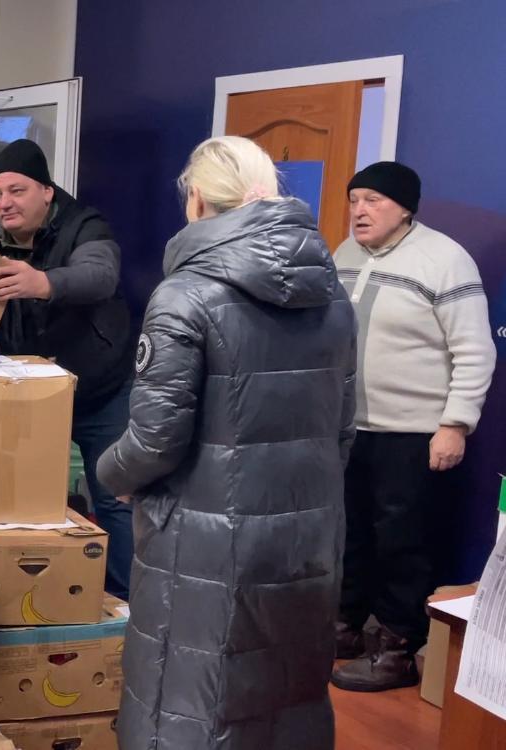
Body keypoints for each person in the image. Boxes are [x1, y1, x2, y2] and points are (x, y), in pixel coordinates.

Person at [97, 136, 357, 749]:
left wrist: (108, 475)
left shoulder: (184, 295)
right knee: (284, 693)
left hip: (202, 540)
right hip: (307, 536)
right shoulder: (333, 295)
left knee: (187, 694)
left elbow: (155, 440)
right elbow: (342, 427)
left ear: (196, 201)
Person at [331, 162, 496, 692]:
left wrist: (455, 424)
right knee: (349, 533)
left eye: (373, 200)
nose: (359, 210)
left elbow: (475, 350)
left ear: (404, 208)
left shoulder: (444, 259)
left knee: (402, 543)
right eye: (354, 199)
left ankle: (397, 648)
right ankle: (345, 627)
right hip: (349, 427)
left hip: (414, 433)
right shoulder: (345, 253)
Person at [0, 138, 136, 600]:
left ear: (46, 191)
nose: (5, 203)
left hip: (101, 391)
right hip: (33, 395)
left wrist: (43, 282)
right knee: (26, 502)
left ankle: (124, 603)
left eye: (17, 190)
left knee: (114, 498)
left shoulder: (85, 226)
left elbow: (100, 274)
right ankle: (39, 599)